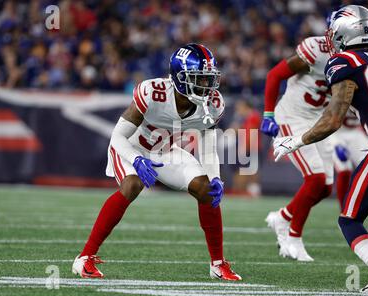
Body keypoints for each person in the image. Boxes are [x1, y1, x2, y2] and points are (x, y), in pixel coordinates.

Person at [273, 5, 368, 293]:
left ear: (346, 33)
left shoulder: (343, 61)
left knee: (349, 218)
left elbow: (333, 119)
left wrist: (296, 140)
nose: (330, 37)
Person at [72, 43, 242, 281]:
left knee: (207, 190)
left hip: (163, 151)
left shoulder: (212, 104)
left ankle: (217, 264)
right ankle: (85, 258)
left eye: (208, 79)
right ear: (180, 77)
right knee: (132, 185)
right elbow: (118, 137)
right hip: (131, 147)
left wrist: (216, 178)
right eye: (199, 79)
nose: (206, 85)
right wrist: (137, 160)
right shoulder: (153, 92)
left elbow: (207, 146)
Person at [261, 31, 334, 262]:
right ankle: (294, 237)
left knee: (325, 188)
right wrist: (269, 114)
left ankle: (282, 217)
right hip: (292, 119)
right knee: (316, 180)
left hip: (317, 121)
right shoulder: (317, 51)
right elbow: (275, 74)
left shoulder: (355, 58)